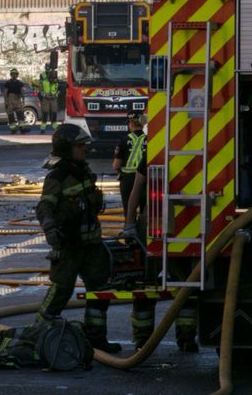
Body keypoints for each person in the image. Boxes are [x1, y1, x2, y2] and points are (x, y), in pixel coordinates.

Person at [115, 115, 199, 353]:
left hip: (152, 221)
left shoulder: (157, 147)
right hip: (183, 222)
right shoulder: (194, 146)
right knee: (185, 280)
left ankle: (143, 340)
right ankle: (185, 338)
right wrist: (130, 222)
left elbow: (137, 189)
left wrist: (130, 222)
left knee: (146, 281)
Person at [35, 124, 120, 353]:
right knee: (61, 290)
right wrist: (51, 230)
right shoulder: (58, 175)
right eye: (79, 146)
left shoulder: (83, 171)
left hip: (92, 245)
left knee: (100, 291)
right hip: (70, 245)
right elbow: (44, 207)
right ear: (66, 148)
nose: (84, 149)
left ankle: (96, 340)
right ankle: (38, 334)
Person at [114, 112, 147, 238]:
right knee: (145, 210)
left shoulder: (124, 140)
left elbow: (116, 165)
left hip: (128, 180)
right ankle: (144, 235)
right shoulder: (149, 138)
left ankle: (130, 235)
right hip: (146, 178)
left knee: (129, 211)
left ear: (131, 124)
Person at [4, 68, 29, 134]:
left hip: (11, 99)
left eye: (15, 74)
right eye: (14, 74)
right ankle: (22, 129)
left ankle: (13, 130)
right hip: (16, 99)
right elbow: (22, 91)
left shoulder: (8, 83)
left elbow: (5, 93)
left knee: (11, 115)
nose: (14, 75)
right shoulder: (19, 83)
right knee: (19, 114)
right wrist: (23, 99)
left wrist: (6, 101)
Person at [39, 67, 61, 134]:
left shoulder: (56, 81)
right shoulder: (43, 80)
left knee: (54, 113)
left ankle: (55, 128)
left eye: (53, 78)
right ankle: (42, 129)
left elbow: (59, 90)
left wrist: (56, 95)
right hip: (46, 99)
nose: (52, 79)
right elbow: (41, 90)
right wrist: (45, 95)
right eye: (51, 78)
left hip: (54, 99)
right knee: (45, 113)